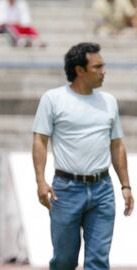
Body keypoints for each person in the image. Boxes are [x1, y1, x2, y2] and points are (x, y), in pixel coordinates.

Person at [32, 42, 134, 270]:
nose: (103, 71)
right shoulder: (53, 99)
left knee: (98, 261)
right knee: (64, 260)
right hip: (66, 190)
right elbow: (40, 140)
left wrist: (125, 185)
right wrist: (40, 181)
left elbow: (117, 144)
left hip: (102, 189)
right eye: (98, 67)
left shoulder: (109, 101)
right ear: (79, 70)